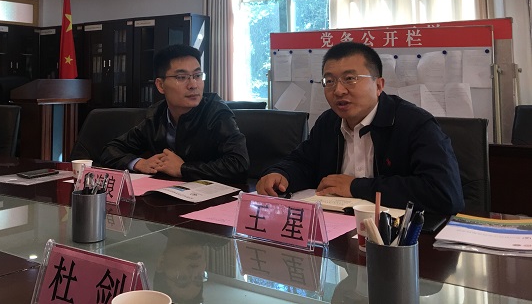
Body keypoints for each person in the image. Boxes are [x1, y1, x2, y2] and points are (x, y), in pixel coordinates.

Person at [256, 41, 464, 215]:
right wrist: (281, 174)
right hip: (336, 229)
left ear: (379, 85)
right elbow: (303, 163)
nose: (338, 90)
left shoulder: (415, 124)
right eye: (330, 81)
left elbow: (445, 194)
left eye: (350, 79)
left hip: (398, 236)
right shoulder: (329, 122)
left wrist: (356, 187)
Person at [99, 44, 249, 183]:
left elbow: (239, 164)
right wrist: (139, 163)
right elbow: (111, 150)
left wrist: (183, 169)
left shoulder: (217, 113)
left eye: (197, 75)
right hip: (167, 195)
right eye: (181, 77)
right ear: (160, 85)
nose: (193, 85)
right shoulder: (155, 116)